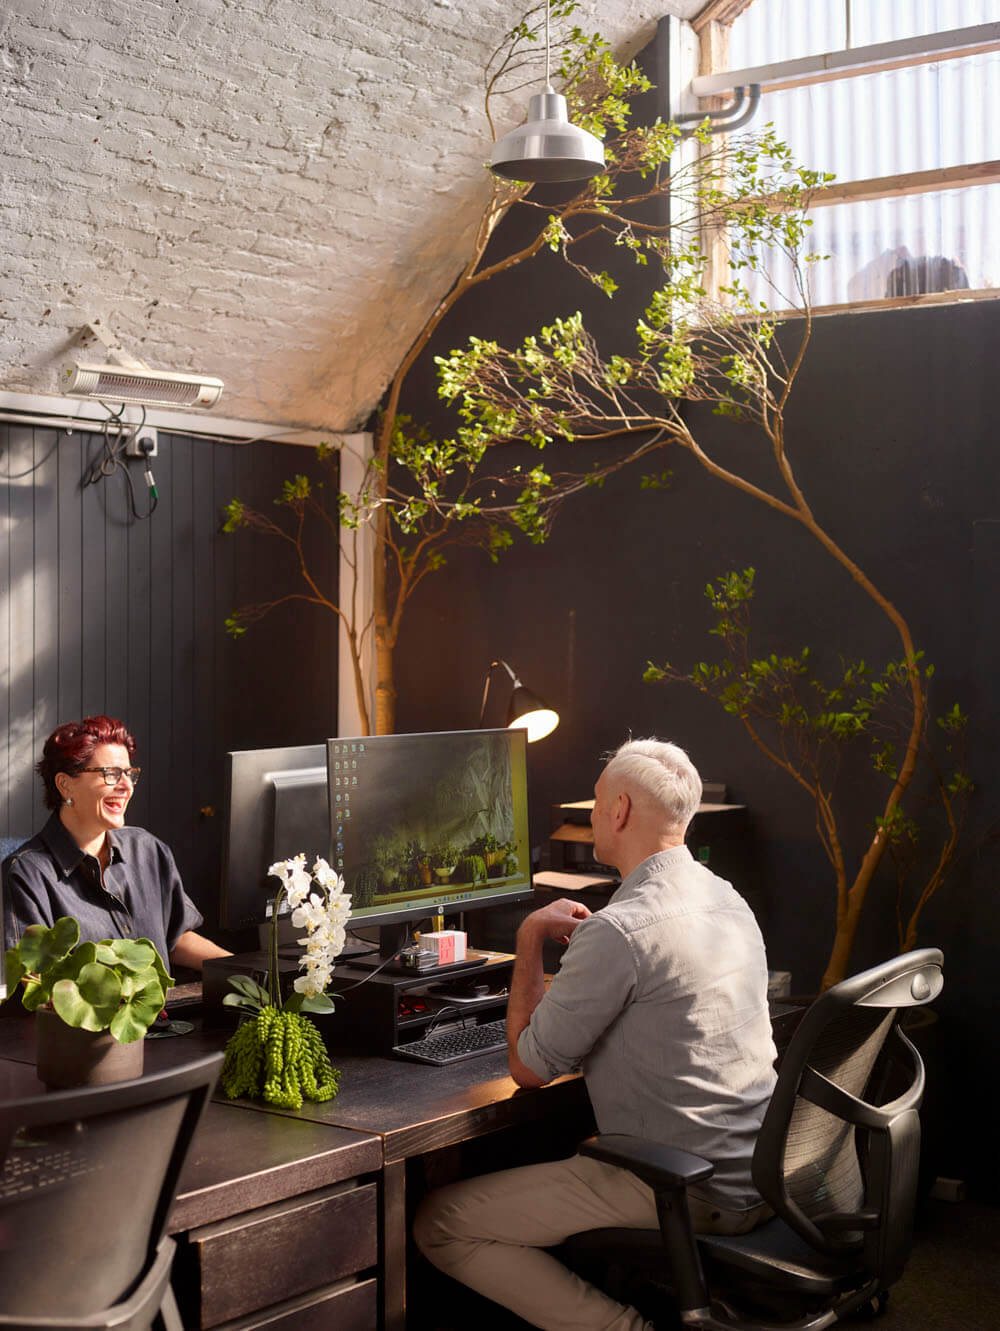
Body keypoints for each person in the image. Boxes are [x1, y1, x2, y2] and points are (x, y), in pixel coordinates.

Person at [414, 738, 777, 1331]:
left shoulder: (621, 931)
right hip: (758, 1169)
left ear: (620, 811)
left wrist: (529, 935)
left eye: (596, 801)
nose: (590, 815)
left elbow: (530, 1069)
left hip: (679, 1184)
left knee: (441, 1223)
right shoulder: (726, 899)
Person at [2, 714, 230, 973]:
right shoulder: (24, 874)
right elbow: (32, 984)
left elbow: (176, 937)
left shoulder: (148, 849)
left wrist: (245, 970)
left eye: (129, 774)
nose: (126, 786)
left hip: (166, 1014)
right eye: (110, 774)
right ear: (65, 785)